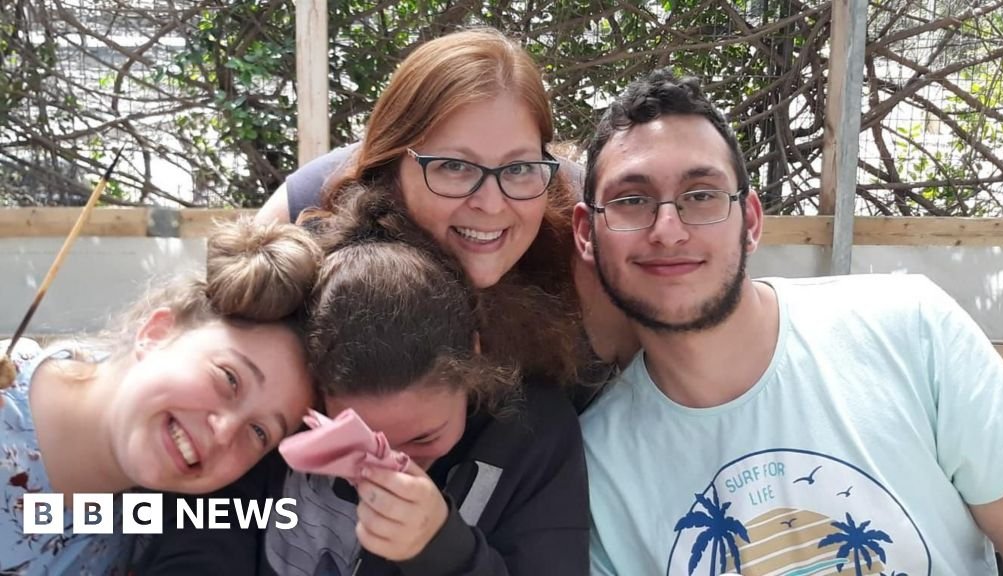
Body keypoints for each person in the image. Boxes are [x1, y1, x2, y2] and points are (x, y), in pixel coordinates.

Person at [575, 69, 1003, 575]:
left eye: (701, 195)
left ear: (750, 221)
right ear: (587, 233)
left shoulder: (911, 330)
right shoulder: (596, 466)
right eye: (631, 201)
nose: (668, 230)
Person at [135, 184, 589, 575]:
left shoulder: (533, 434)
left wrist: (443, 547)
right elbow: (199, 528)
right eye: (356, 438)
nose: (393, 466)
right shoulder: (274, 415)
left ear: (474, 359)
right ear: (315, 394)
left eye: (424, 437)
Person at [257, 26, 638, 385]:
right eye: (454, 167)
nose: (491, 204)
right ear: (391, 170)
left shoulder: (584, 255)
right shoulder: (308, 228)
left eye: (519, 168)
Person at [0, 218, 319, 575]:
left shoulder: (146, 524)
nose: (225, 432)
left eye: (260, 432)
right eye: (229, 378)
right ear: (157, 333)